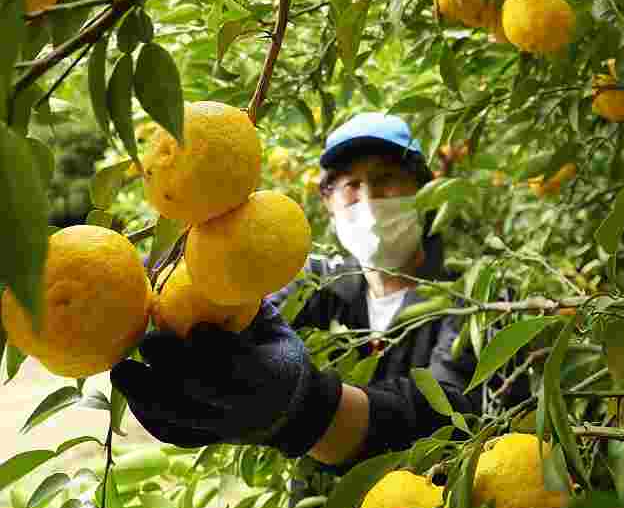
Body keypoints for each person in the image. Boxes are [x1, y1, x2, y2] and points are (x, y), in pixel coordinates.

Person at [111, 113, 479, 470]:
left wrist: (307, 410)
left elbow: (451, 412)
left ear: (425, 192)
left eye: (386, 180)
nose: (368, 200)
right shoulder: (323, 284)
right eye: (351, 186)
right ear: (328, 202)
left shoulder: (471, 299)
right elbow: (244, 303)